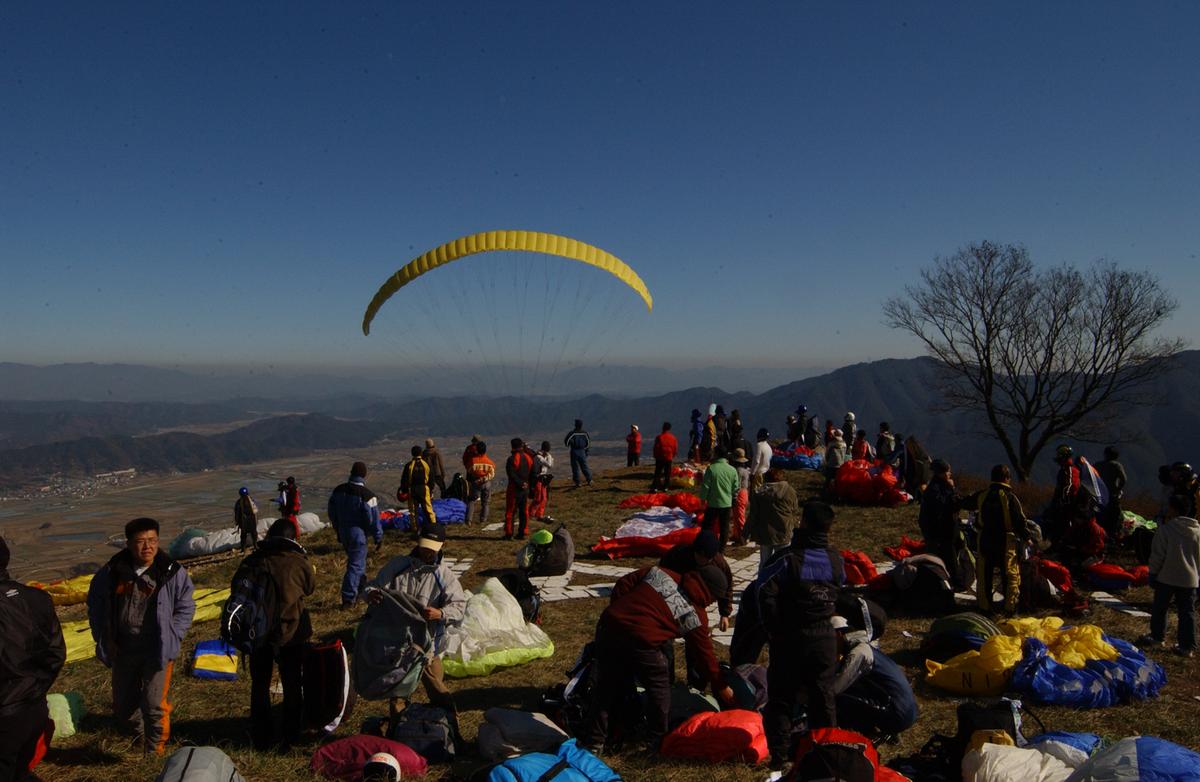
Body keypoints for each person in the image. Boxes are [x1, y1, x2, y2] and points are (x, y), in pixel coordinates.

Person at [580, 563, 734, 753]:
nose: (711, 603)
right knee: (659, 687)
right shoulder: (695, 616)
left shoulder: (660, 572)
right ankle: (655, 738)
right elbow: (704, 655)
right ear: (709, 593)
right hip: (642, 641)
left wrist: (621, 611)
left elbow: (623, 583)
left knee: (606, 686)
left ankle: (595, 742)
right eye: (714, 599)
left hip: (609, 625)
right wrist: (721, 685)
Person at [86, 517, 195, 755]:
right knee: (123, 705)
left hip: (158, 648)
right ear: (128, 544)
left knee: (154, 703)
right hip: (123, 648)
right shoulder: (112, 572)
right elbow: (95, 604)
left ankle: (155, 750)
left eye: (153, 540)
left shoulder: (171, 572)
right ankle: (137, 736)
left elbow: (186, 606)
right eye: (141, 541)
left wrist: (174, 634)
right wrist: (102, 636)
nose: (148, 547)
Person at [757, 501, 845, 769]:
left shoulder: (788, 559)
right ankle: (827, 754)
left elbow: (763, 591)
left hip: (791, 636)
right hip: (824, 637)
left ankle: (780, 758)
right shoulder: (835, 559)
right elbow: (840, 585)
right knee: (824, 697)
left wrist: (774, 628)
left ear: (803, 523)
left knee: (782, 697)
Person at [366, 523, 467, 736]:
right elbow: (373, 585)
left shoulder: (444, 575)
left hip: (429, 646)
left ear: (441, 546)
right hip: (400, 646)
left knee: (438, 691)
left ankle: (452, 732)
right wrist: (371, 595)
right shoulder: (398, 565)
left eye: (432, 548)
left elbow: (459, 606)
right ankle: (398, 731)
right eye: (424, 546)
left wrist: (440, 614)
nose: (427, 552)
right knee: (398, 692)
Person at [244, 519, 315, 750]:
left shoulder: (252, 561)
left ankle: (261, 734)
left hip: (257, 634)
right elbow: (310, 588)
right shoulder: (297, 562)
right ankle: (291, 735)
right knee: (293, 684)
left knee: (260, 684)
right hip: (291, 633)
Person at [0, 536, 66, 781]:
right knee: (20, 771)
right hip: (33, 707)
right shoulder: (37, 598)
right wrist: (34, 689)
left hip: (5, 715)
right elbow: (56, 653)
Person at [831, 616, 918, 741]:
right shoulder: (868, 648)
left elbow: (836, 688)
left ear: (838, 635)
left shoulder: (860, 653)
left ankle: (869, 733)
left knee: (839, 697)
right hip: (906, 710)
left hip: (899, 715)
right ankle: (882, 729)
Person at [1142, 492, 1199, 657]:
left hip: (1167, 576)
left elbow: (1158, 555)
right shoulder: (1197, 531)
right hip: (1190, 579)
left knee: (1160, 608)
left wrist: (1152, 573)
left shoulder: (1166, 530)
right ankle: (1186, 646)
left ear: (1173, 509)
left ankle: (1157, 637)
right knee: (1187, 613)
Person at [970, 464, 1028, 616]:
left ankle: (984, 607)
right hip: (1005, 540)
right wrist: (1028, 537)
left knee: (984, 575)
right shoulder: (1010, 497)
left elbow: (965, 503)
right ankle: (1010, 609)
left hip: (985, 538)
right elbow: (1020, 521)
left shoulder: (982, 495)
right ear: (1007, 478)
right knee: (1010, 575)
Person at [327, 461, 383, 608]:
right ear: (364, 475)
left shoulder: (338, 490)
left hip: (343, 531)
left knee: (357, 562)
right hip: (358, 533)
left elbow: (332, 512)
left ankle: (360, 589)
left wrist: (337, 527)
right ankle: (348, 598)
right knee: (356, 565)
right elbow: (373, 519)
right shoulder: (367, 496)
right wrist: (378, 536)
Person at [659, 529, 734, 632]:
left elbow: (726, 587)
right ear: (694, 550)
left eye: (707, 558)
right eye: (699, 555)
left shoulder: (719, 563)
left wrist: (724, 614)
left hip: (699, 600)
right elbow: (661, 578)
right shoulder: (677, 556)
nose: (702, 560)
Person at [918, 460, 966, 589]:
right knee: (948, 557)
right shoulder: (935, 489)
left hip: (941, 529)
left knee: (950, 554)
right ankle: (956, 582)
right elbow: (947, 505)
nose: (950, 474)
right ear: (941, 473)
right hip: (939, 530)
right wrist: (952, 489)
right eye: (947, 471)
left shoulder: (939, 486)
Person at [746, 467, 801, 571]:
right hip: (783, 531)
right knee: (783, 562)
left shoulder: (759, 493)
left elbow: (753, 515)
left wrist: (745, 533)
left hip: (765, 532)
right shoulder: (789, 490)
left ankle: (762, 583)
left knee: (764, 561)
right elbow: (795, 509)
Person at [699, 446, 740, 549]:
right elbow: (736, 487)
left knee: (707, 526)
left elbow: (705, 486)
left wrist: (703, 499)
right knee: (724, 527)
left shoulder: (711, 468)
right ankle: (721, 549)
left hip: (713, 503)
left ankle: (706, 546)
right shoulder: (732, 470)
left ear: (716, 455)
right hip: (726, 503)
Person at [399, 445, 437, 532]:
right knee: (428, 509)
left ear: (412, 454)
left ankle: (415, 530)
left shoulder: (409, 465)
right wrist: (431, 490)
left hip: (412, 490)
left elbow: (404, 480)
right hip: (424, 488)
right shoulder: (426, 464)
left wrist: (404, 490)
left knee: (413, 511)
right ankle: (434, 527)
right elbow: (431, 479)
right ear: (421, 453)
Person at [504, 438, 534, 540]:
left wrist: (520, 484)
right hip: (525, 489)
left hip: (514, 489)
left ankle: (509, 533)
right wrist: (529, 485)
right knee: (524, 511)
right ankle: (523, 532)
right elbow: (533, 473)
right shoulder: (528, 457)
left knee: (511, 511)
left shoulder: (512, 459)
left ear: (512, 446)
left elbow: (511, 474)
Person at [1095, 446, 1127, 540]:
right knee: (1115, 517)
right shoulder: (1116, 465)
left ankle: (1099, 535)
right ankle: (1112, 537)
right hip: (1112, 495)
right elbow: (1123, 479)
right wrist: (1117, 489)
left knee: (1100, 517)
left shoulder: (1097, 465)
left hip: (1099, 496)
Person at [464, 441, 496, 525]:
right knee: (485, 502)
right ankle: (483, 520)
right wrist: (484, 478)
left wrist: (477, 477)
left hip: (476, 482)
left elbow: (469, 470)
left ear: (477, 450)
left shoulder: (473, 461)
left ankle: (468, 520)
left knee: (471, 500)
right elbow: (492, 474)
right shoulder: (489, 462)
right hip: (486, 483)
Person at [731, 448, 752, 545]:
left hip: (739, 494)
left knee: (739, 516)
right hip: (745, 492)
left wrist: (734, 497)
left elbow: (737, 486)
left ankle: (742, 538)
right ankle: (736, 534)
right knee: (737, 515)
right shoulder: (746, 470)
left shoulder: (738, 471)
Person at [649, 422, 678, 492]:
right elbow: (675, 448)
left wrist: (655, 455)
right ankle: (666, 487)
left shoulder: (659, 437)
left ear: (663, 428)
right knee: (667, 473)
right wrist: (673, 455)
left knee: (658, 473)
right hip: (669, 457)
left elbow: (656, 447)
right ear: (670, 428)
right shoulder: (673, 438)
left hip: (660, 457)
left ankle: (655, 487)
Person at [530, 441, 554, 520]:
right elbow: (549, 465)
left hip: (543, 478)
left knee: (544, 498)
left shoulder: (542, 456)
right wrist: (549, 456)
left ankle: (539, 514)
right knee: (538, 497)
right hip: (537, 478)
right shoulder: (538, 457)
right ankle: (531, 514)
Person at [564, 419, 592, 487]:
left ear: (575, 425)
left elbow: (566, 442)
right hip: (582, 451)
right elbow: (588, 443)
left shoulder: (572, 433)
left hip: (574, 451)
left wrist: (570, 444)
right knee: (584, 466)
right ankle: (589, 480)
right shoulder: (584, 433)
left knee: (575, 468)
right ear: (581, 425)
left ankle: (578, 482)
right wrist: (586, 451)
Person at [234, 486, 258, 552]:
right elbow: (256, 510)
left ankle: (243, 548)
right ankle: (255, 545)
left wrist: (237, 522)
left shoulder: (238, 502)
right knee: (254, 533)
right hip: (252, 521)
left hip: (243, 522)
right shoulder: (252, 500)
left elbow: (237, 513)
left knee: (243, 535)